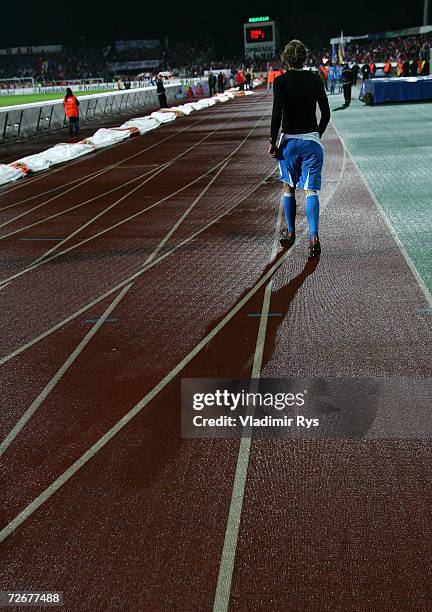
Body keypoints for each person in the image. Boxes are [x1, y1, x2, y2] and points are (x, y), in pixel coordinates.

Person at [269, 39, 331, 259]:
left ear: (286, 58)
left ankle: (291, 232)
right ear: (304, 58)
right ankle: (313, 237)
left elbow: (277, 115)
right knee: (310, 191)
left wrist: (272, 141)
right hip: (311, 142)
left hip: (289, 143)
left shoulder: (281, 82)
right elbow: (326, 113)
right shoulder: (315, 79)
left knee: (289, 188)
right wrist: (317, 134)